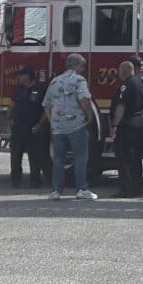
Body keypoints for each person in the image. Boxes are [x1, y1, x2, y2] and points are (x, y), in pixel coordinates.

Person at [42, 53, 98, 201]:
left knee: (58, 160)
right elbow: (84, 100)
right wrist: (89, 116)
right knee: (80, 158)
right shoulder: (79, 80)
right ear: (76, 65)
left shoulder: (54, 81)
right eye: (82, 66)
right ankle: (81, 189)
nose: (83, 69)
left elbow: (46, 105)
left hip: (57, 128)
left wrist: (53, 122)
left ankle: (56, 191)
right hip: (76, 125)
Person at [110, 60, 143, 197]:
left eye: (120, 70)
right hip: (139, 122)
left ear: (125, 71)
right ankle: (136, 188)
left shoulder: (126, 85)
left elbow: (121, 106)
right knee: (136, 158)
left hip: (126, 125)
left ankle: (126, 190)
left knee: (125, 158)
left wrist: (114, 125)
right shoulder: (140, 83)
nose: (118, 73)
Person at [9, 67, 49, 188]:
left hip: (33, 129)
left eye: (21, 75)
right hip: (18, 128)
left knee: (35, 157)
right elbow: (12, 105)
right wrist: (10, 118)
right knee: (15, 156)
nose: (19, 78)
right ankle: (15, 181)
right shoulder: (19, 90)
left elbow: (46, 109)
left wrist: (40, 124)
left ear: (27, 76)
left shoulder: (40, 90)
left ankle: (35, 181)